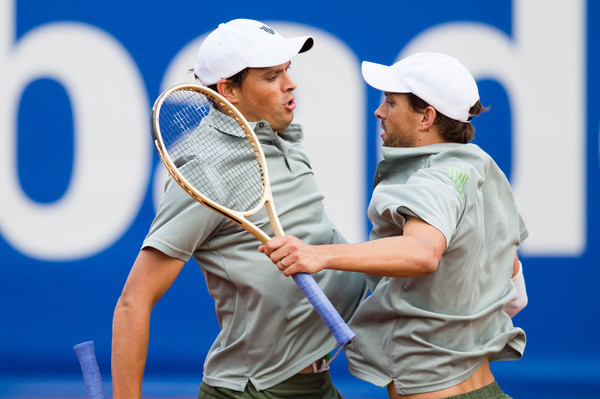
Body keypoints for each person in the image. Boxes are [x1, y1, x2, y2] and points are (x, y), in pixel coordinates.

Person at [111, 18, 367, 399]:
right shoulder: (206, 170)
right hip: (256, 389)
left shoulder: (280, 136)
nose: (290, 84)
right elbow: (135, 299)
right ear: (228, 89)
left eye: (287, 70)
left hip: (314, 381)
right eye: (270, 76)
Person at [260, 52, 528, 399]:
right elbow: (513, 289)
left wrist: (319, 255)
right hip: (486, 388)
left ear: (426, 117)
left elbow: (423, 252)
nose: (379, 112)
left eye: (391, 102)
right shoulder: (481, 169)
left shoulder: (431, 180)